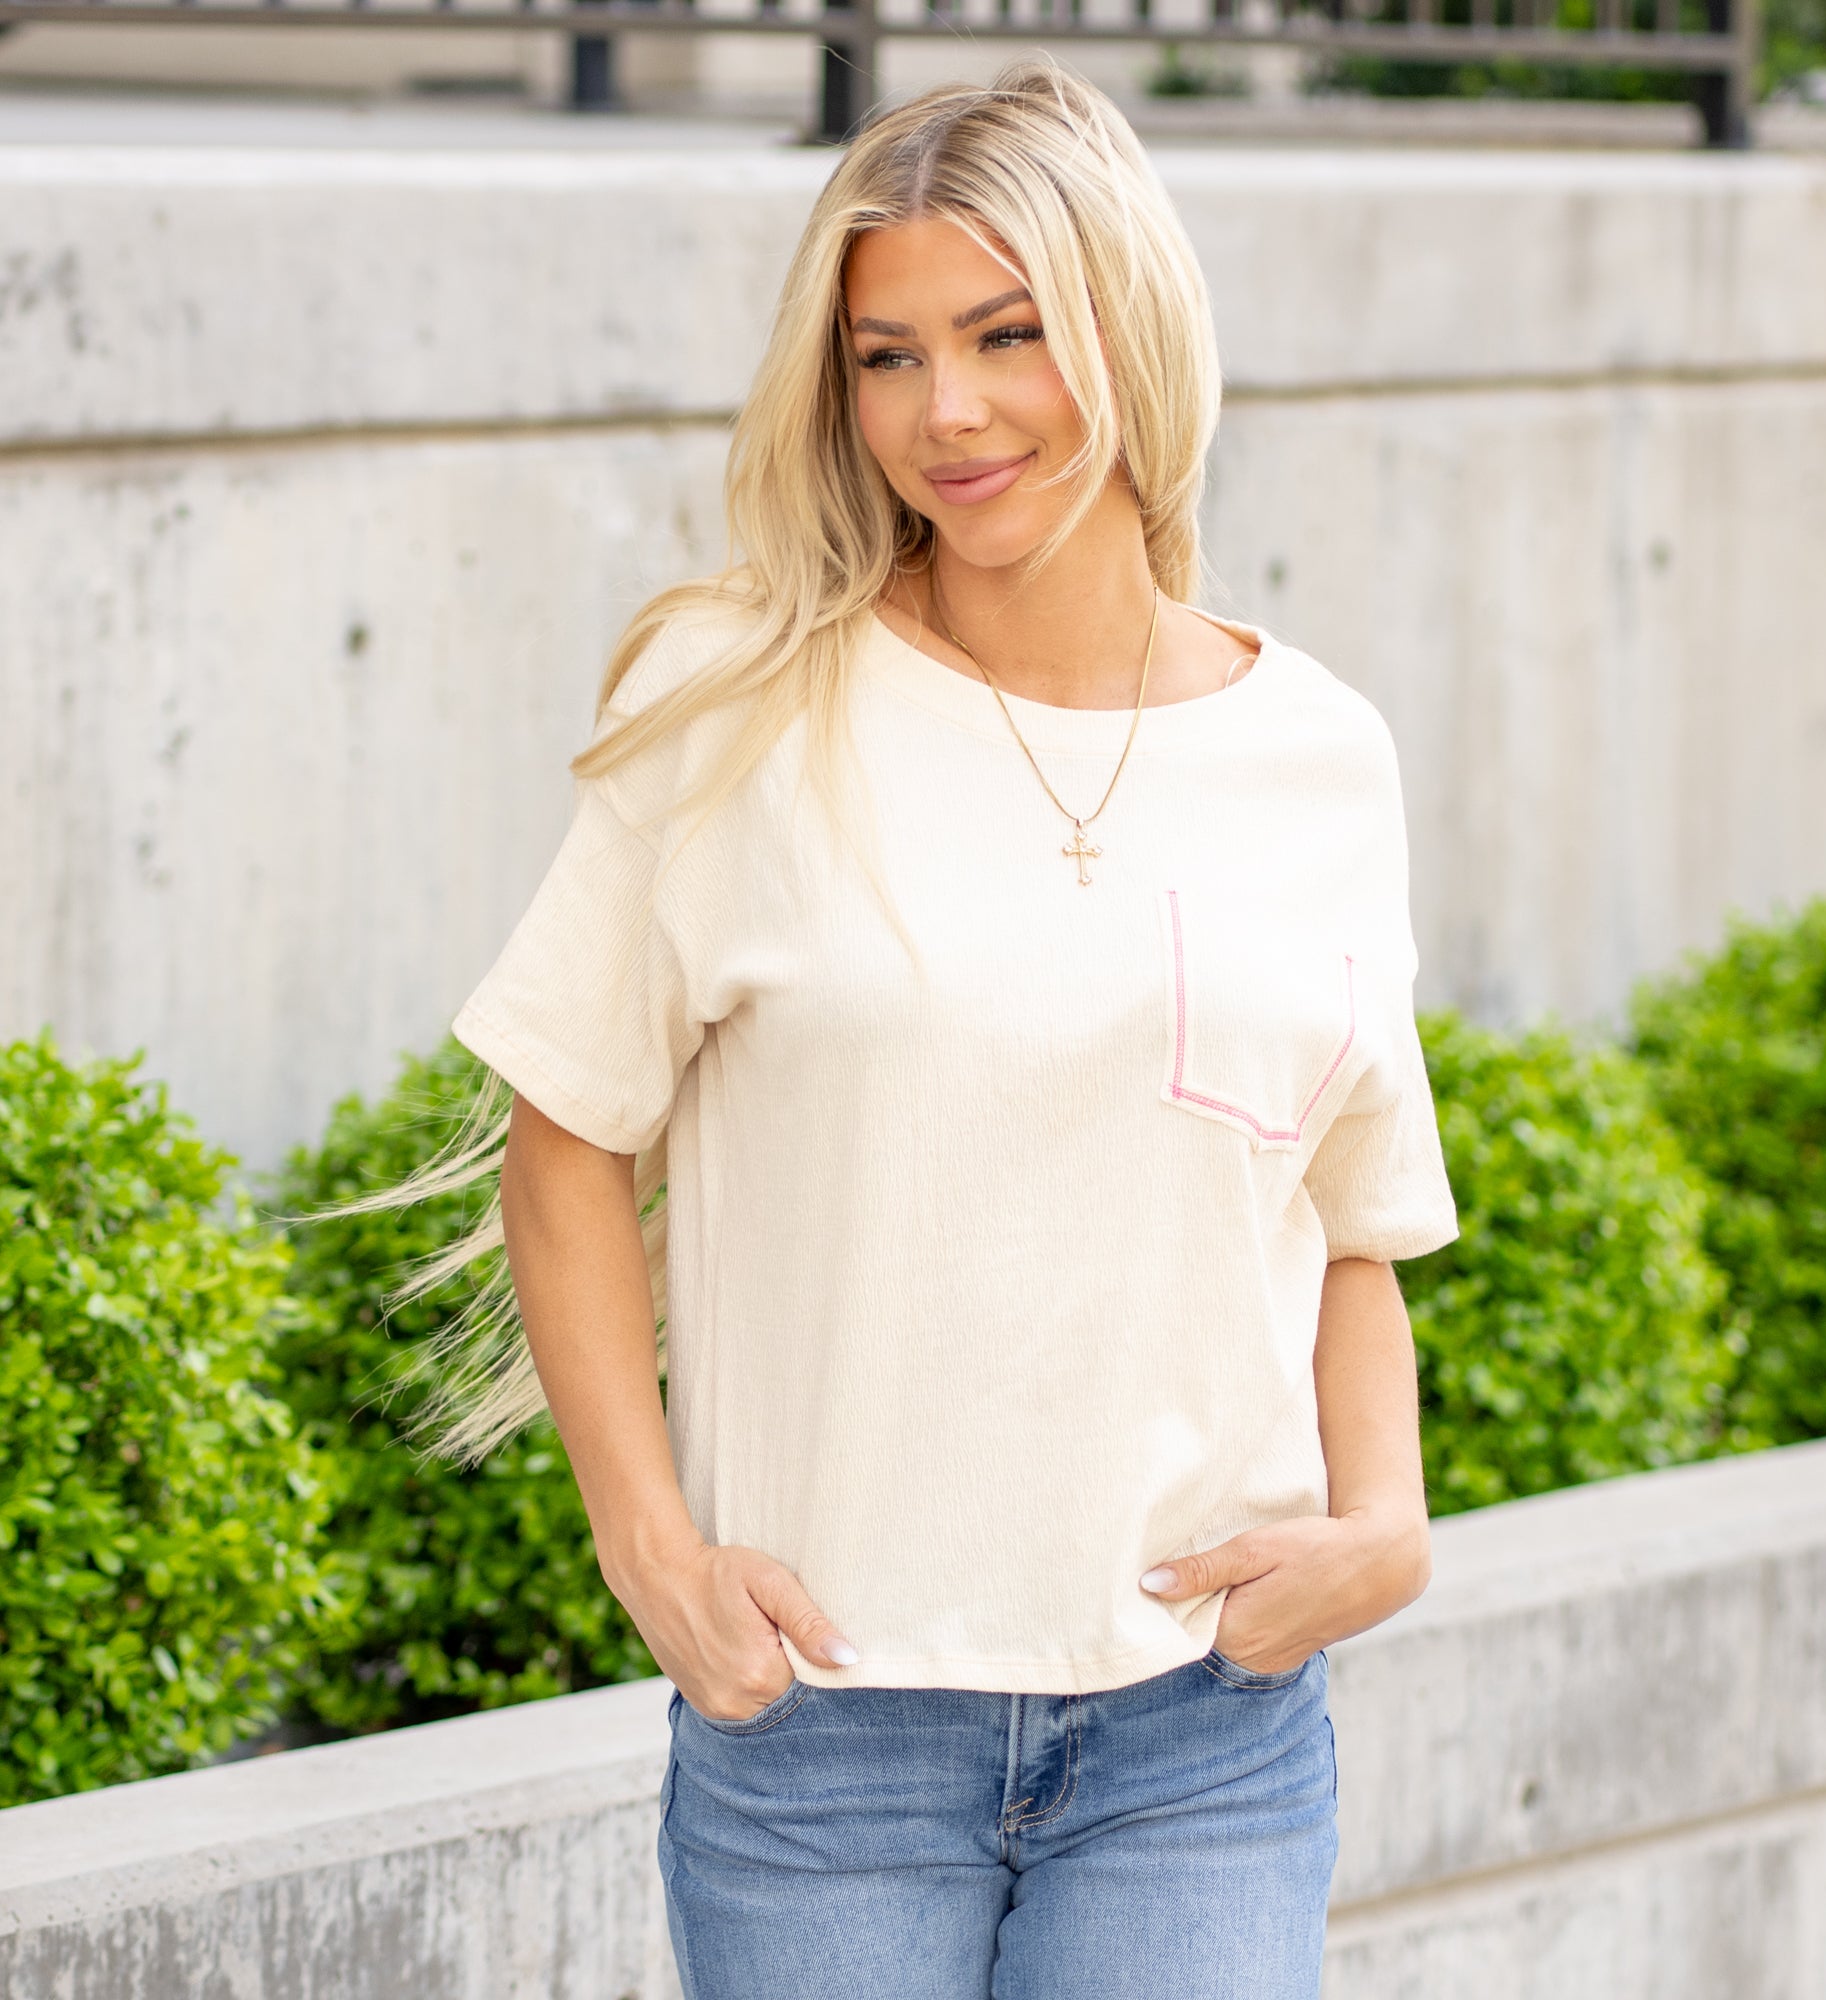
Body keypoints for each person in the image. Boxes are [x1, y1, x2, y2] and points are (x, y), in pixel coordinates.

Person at [428, 56, 1458, 2000]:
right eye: (886, 356)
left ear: (1132, 327)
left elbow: (1339, 1213)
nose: (947, 413)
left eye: (1006, 334)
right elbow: (564, 1132)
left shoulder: (1317, 752)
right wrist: (651, 1554)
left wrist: (1385, 1529)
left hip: (1202, 1735)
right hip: (828, 1736)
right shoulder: (738, 701)